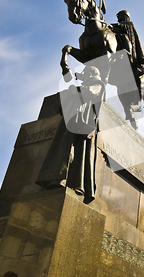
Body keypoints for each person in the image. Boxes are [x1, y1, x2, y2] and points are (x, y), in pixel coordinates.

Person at [36, 65, 106, 204]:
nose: (83, 76)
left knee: (73, 150)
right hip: (71, 118)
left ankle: (69, 181)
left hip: (83, 122)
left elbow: (89, 93)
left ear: (92, 74)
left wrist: (74, 91)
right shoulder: (83, 86)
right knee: (63, 147)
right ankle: (56, 178)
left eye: (86, 73)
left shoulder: (98, 84)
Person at [111, 10, 144, 111]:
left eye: (120, 16)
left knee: (124, 37)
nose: (119, 18)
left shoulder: (129, 24)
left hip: (130, 50)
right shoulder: (117, 27)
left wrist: (113, 26)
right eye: (118, 16)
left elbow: (124, 29)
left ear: (125, 16)